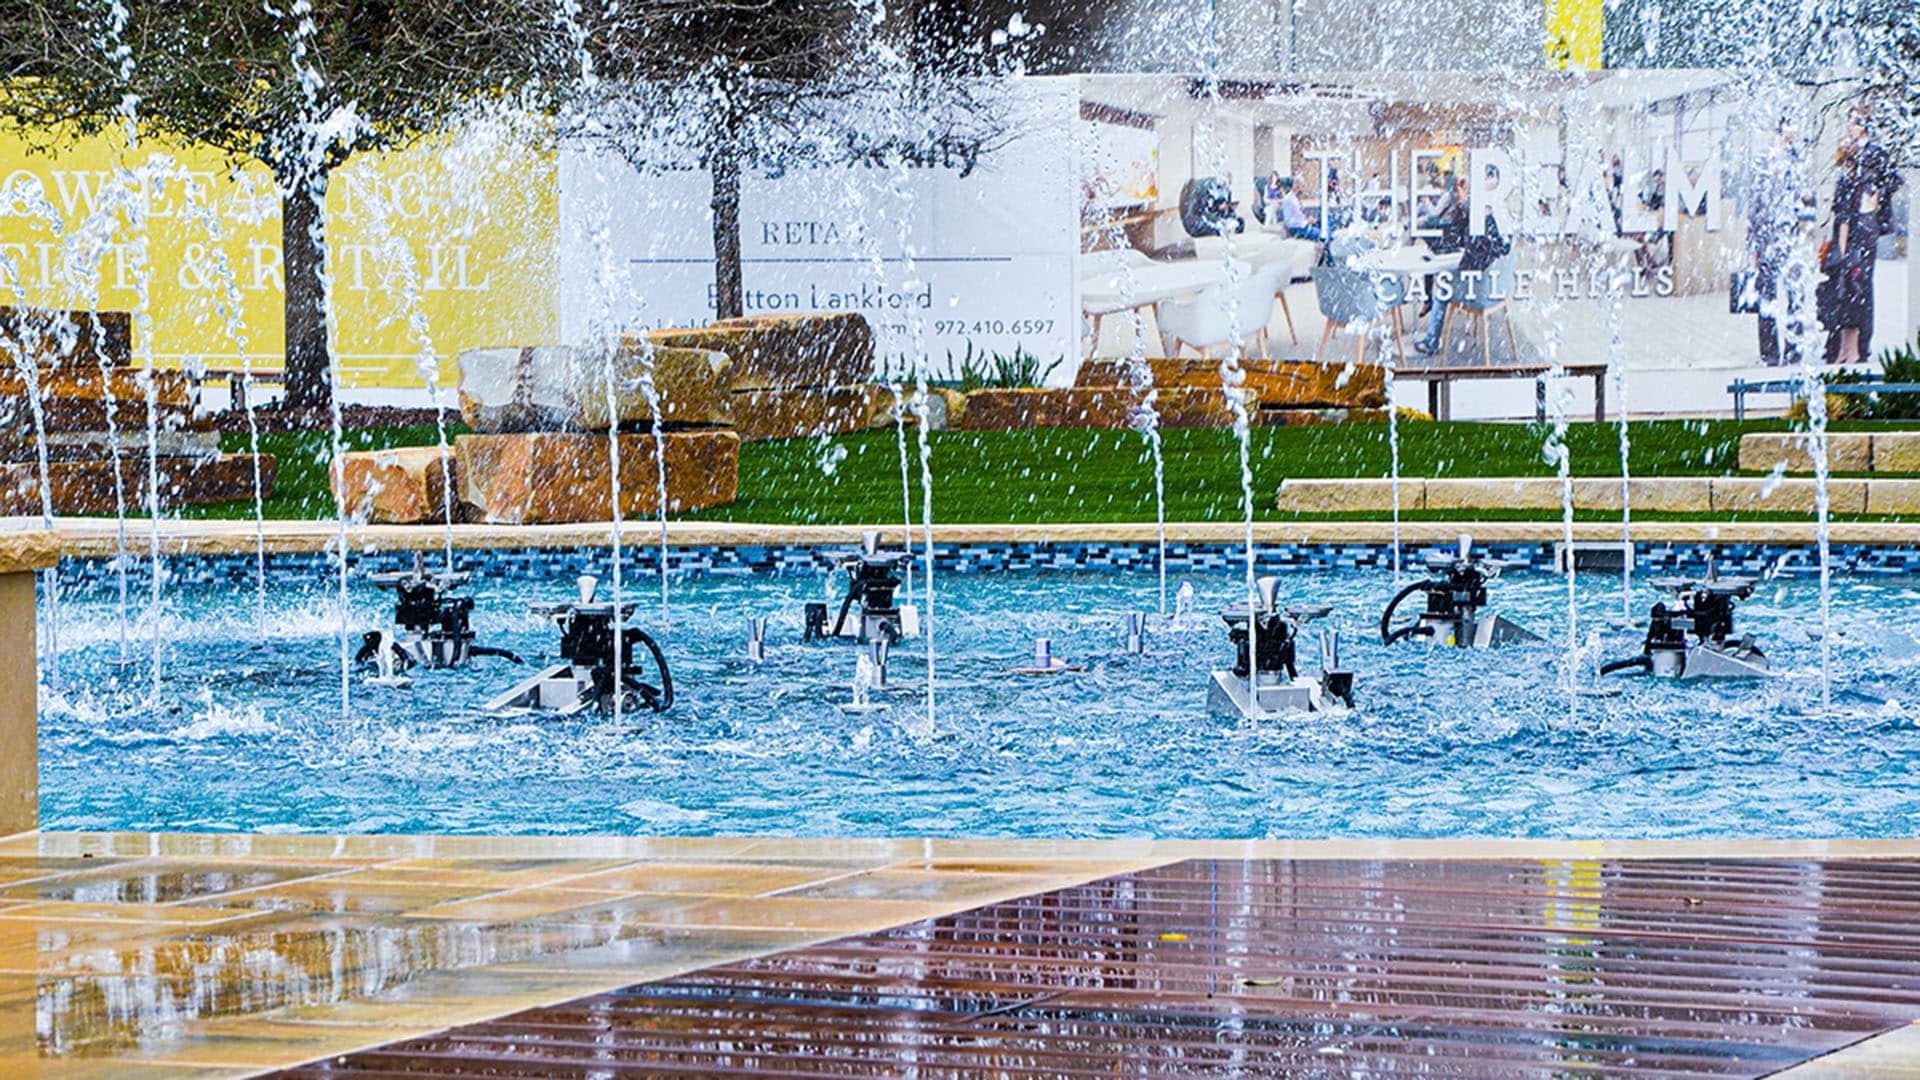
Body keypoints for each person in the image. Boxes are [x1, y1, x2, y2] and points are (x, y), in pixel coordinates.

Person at [1822, 105, 1902, 365]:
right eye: (1849, 121)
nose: (1850, 127)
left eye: (1855, 122)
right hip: (1848, 225)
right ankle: (1840, 346)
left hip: (1864, 228)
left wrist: (1874, 197)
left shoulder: (1874, 153)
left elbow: (1892, 180)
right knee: (1844, 286)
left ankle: (1860, 346)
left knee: (1861, 285)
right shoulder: (1850, 152)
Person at [1415, 170, 1510, 357]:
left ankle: (1431, 343)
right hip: (1494, 284)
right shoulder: (1498, 217)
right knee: (1443, 269)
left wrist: (1464, 198)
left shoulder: (1481, 214)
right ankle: (1429, 305)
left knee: (1443, 285)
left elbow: (1470, 243)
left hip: (1478, 283)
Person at [1746, 119, 1810, 366]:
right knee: (1767, 295)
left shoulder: (1798, 160)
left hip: (1792, 236)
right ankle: (1770, 352)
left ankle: (1794, 350)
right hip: (1769, 236)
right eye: (1791, 126)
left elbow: (1804, 198)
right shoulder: (1766, 159)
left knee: (1796, 294)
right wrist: (1752, 243)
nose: (1795, 131)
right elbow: (1756, 203)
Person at [1272, 176, 1320, 241]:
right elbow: (1288, 222)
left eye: (1300, 184)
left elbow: (1299, 215)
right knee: (1322, 235)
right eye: (1297, 183)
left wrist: (1308, 219)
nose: (1300, 186)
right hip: (1298, 229)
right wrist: (1306, 222)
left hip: (1303, 226)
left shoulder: (1295, 198)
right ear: (1293, 185)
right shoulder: (1289, 200)